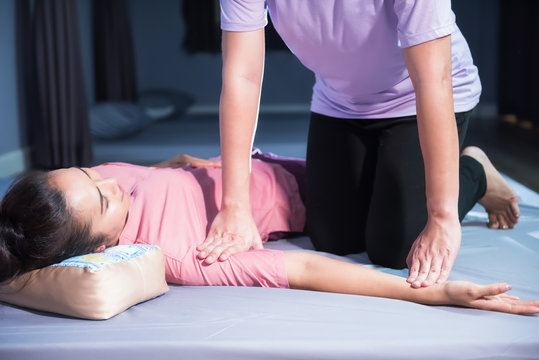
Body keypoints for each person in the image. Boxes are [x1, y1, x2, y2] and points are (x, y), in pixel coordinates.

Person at [202, 0, 521, 289]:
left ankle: (474, 172)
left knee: (398, 246)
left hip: (415, 95)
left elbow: (432, 82)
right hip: (341, 101)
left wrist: (442, 216)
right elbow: (241, 77)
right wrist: (235, 208)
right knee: (331, 239)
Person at [0, 149, 537, 315]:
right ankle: (476, 169)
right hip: (321, 199)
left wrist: (184, 165)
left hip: (284, 162)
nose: (112, 181)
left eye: (91, 172)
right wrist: (437, 292)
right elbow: (303, 267)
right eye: (101, 195)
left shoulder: (105, 186)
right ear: (99, 245)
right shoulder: (187, 255)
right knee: (392, 235)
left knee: (410, 191)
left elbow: (141, 175)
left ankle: (470, 167)